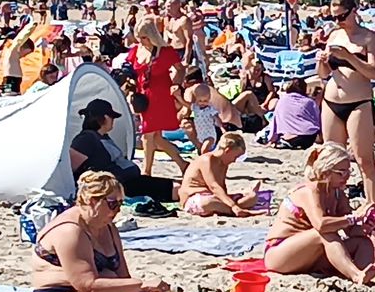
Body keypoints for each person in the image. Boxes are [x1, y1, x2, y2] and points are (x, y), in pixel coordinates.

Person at [29, 171, 279, 292]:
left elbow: (121, 277)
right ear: (91, 201)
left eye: (120, 204)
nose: (117, 210)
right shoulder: (71, 231)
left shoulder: (108, 227)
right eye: (112, 204)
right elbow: (88, 286)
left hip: (87, 291)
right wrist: (141, 285)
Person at [263, 144, 375, 282]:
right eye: (341, 172)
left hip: (309, 254)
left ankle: (365, 273)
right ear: (325, 171)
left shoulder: (337, 193)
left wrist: (365, 227)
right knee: (325, 232)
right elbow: (321, 225)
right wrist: (353, 218)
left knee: (363, 243)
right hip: (280, 253)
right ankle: (356, 275)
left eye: (349, 171)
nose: (346, 177)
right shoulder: (310, 191)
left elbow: (350, 230)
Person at [319, 0, 375, 212]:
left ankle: (374, 209)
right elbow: (324, 73)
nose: (338, 22)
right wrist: (322, 63)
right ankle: (335, 207)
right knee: (332, 160)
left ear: (354, 11)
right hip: (331, 100)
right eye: (334, 17)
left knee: (364, 160)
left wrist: (350, 57)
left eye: (342, 16)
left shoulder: (368, 38)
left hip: (359, 102)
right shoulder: (334, 35)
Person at [69, 98, 177, 203]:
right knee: (173, 189)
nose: (113, 122)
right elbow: (72, 168)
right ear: (106, 118)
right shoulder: (86, 139)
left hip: (127, 181)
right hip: (119, 185)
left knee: (171, 186)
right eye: (112, 118)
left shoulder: (102, 136)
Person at [128, 18, 189, 179]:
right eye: (139, 37)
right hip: (143, 96)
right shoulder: (136, 51)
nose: (141, 41)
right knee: (156, 137)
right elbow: (131, 71)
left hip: (160, 95)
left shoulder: (166, 52)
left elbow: (180, 69)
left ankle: (146, 172)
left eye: (144, 37)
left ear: (152, 36)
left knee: (147, 134)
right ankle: (182, 163)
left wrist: (176, 84)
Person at [181, 132, 262, 218]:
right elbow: (214, 186)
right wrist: (233, 205)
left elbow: (221, 189)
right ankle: (236, 210)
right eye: (235, 156)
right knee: (208, 203)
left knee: (252, 198)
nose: (234, 160)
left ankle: (232, 209)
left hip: (213, 197)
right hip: (194, 198)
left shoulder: (223, 164)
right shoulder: (207, 160)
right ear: (227, 151)